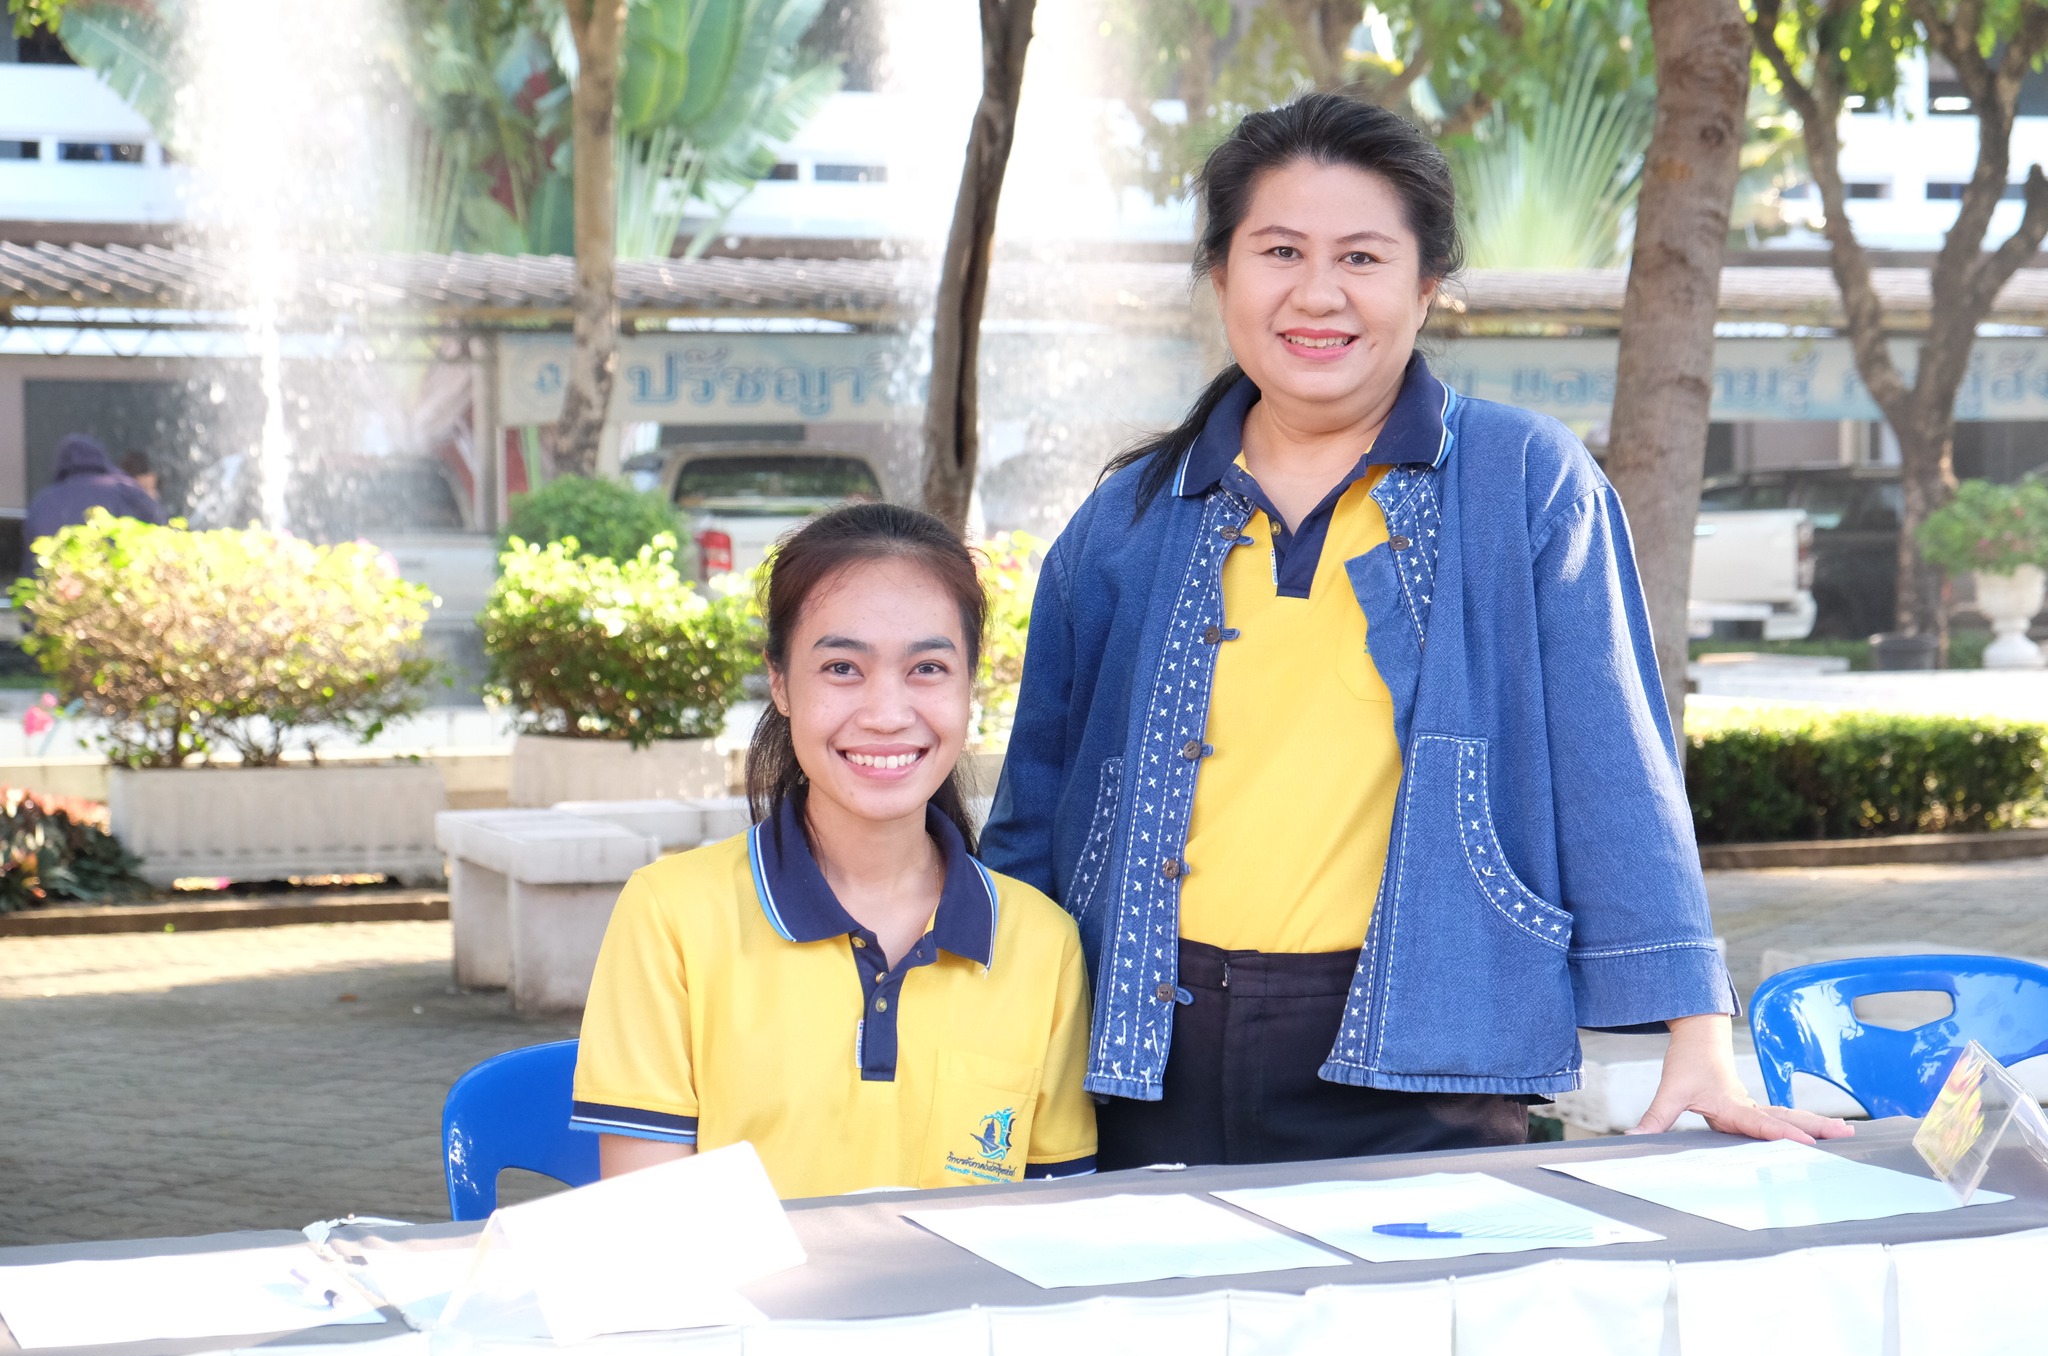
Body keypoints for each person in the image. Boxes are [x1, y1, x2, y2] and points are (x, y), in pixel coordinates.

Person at [979, 93, 1850, 1169]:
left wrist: (1699, 1042)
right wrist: (982, 1027)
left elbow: (1612, 766)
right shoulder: (1125, 516)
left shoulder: (1524, 483)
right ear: (1219, 276)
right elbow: (1035, 808)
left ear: (1425, 285)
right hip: (1133, 1046)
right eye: (1278, 250)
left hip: (1420, 1052)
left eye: (1360, 257)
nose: (1316, 294)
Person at [571, 502, 1097, 1199]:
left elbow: (1047, 1230)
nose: (885, 712)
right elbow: (654, 1232)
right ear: (781, 683)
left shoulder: (1043, 946)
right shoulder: (670, 915)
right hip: (743, 1310)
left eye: (929, 668)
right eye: (843, 667)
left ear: (972, 687)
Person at [21, 434, 166, 576]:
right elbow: (159, 527)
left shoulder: (43, 501)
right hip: (116, 585)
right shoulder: (125, 489)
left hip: (59, 588)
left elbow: (31, 566)